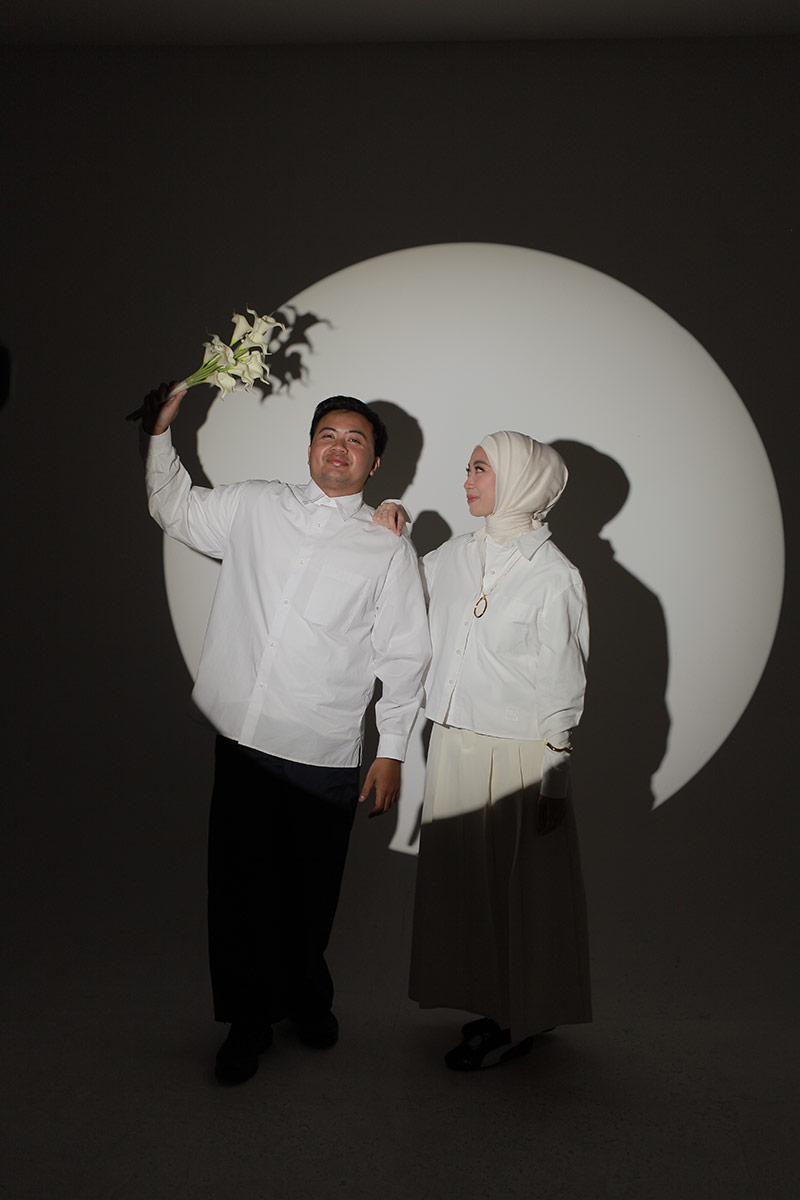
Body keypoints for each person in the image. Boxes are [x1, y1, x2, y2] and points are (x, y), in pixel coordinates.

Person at [140, 382, 430, 1085]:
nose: (340, 448)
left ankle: (306, 996)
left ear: (374, 465)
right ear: (309, 448)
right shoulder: (255, 506)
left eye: (356, 441)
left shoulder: (387, 547)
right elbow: (174, 507)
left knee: (310, 893)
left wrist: (392, 749)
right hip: (244, 739)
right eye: (329, 434)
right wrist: (160, 434)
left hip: (324, 747)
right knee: (241, 890)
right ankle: (247, 1023)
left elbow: (405, 654)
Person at [376, 431, 591, 1070]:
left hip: (521, 757)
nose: (466, 481)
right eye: (468, 468)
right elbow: (402, 592)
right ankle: (497, 1006)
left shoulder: (554, 575)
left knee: (521, 893)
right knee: (468, 890)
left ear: (521, 481)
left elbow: (563, 679)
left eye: (480, 470)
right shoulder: (454, 556)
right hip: (454, 744)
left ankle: (523, 1017)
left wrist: (555, 776)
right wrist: (393, 527)